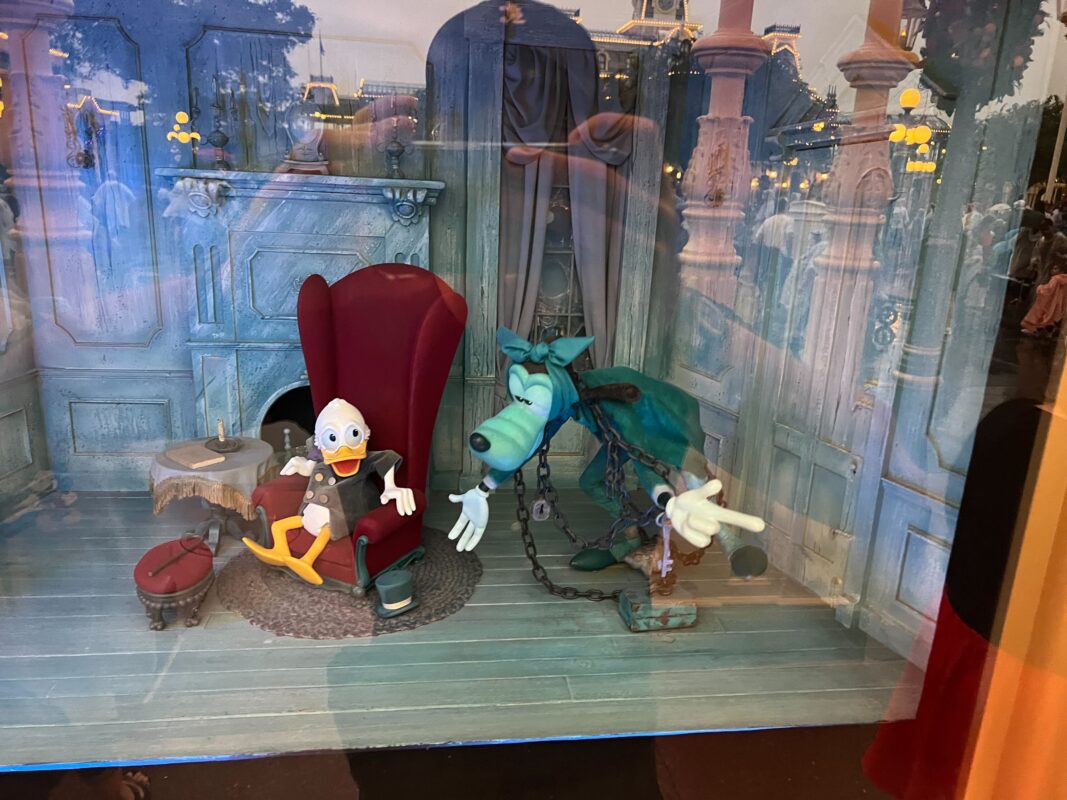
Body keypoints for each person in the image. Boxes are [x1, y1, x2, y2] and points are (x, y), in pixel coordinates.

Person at [752, 197, 794, 299]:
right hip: (781, 252)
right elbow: (789, 236)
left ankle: (760, 293)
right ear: (786, 207)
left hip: (767, 251)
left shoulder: (768, 221)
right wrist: (789, 251)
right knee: (780, 276)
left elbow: (758, 237)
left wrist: (763, 247)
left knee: (764, 273)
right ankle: (777, 296)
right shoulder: (789, 220)